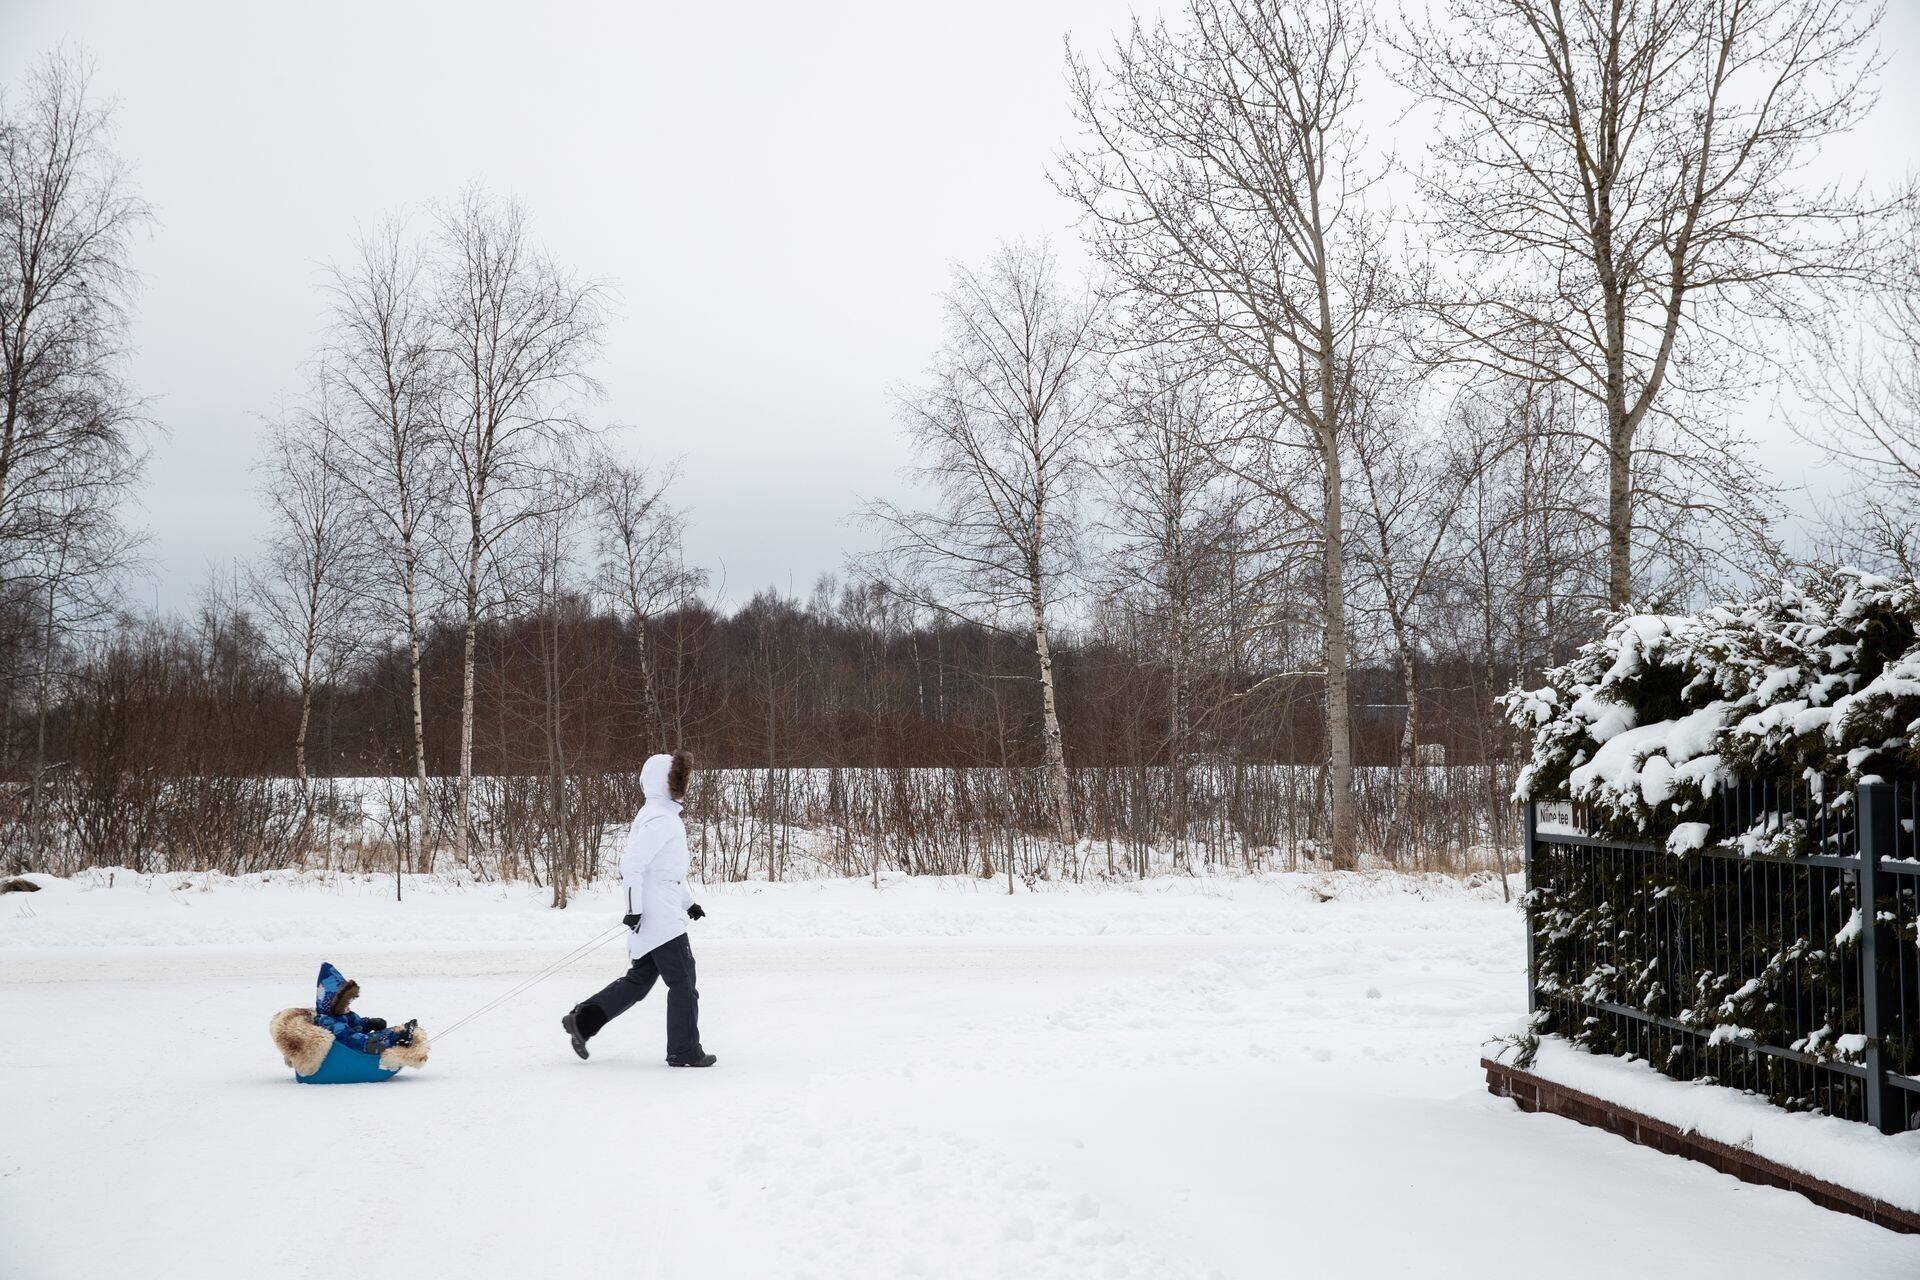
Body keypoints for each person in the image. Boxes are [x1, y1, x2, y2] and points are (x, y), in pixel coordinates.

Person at [562, 751, 715, 1067]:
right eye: (677, 780)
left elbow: (663, 873)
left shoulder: (658, 816)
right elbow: (632, 865)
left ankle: (583, 1022)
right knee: (683, 983)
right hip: (660, 919)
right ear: (664, 784)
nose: (681, 786)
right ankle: (684, 1051)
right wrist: (633, 910)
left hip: (659, 912)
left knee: (639, 981)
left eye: (681, 780)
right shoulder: (661, 820)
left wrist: (689, 903)